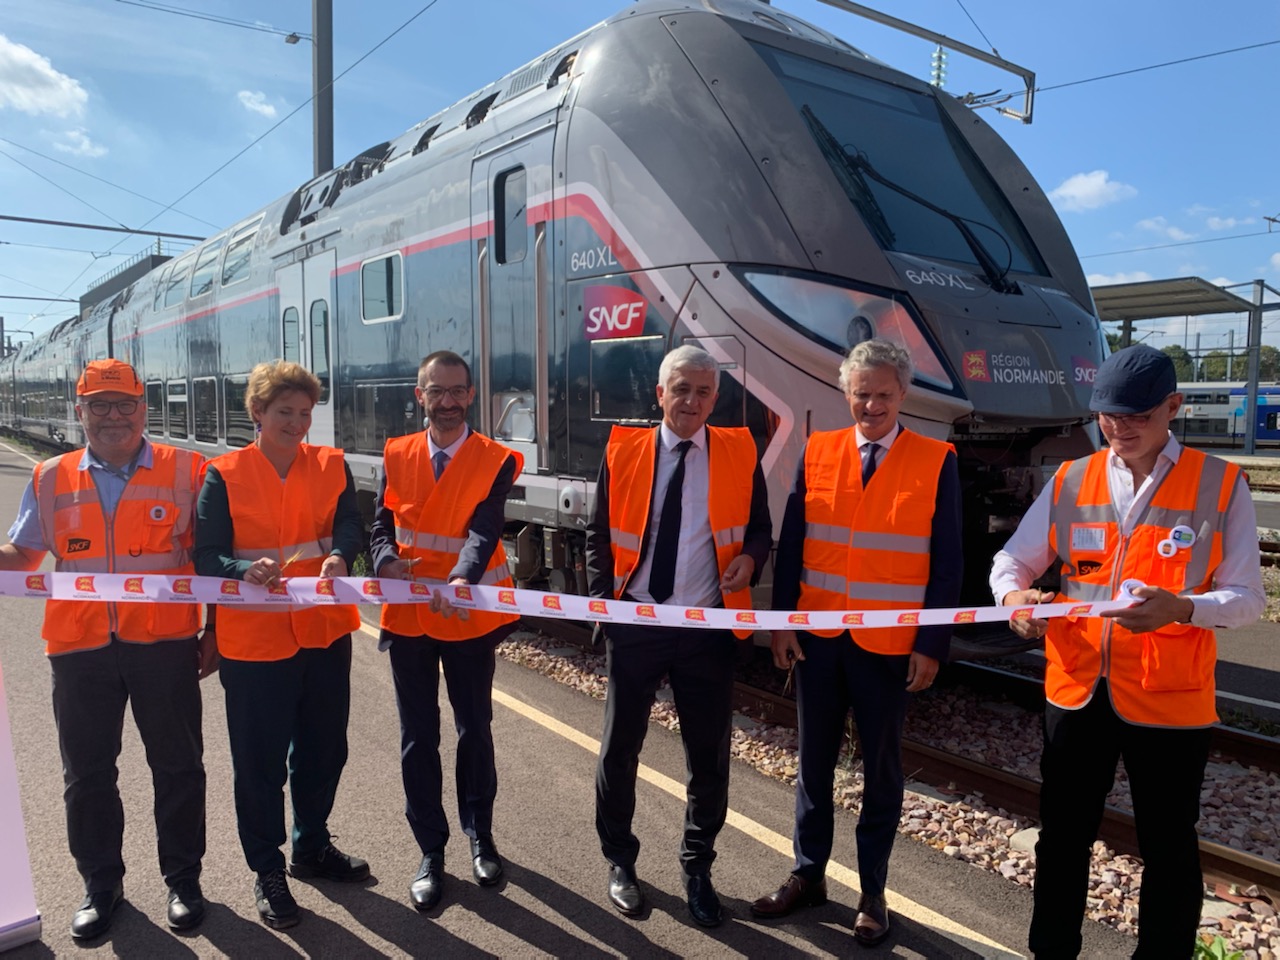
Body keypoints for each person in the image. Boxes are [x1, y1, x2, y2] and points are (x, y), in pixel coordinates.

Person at [989, 344, 1263, 960]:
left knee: (1168, 845)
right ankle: (1051, 952)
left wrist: (1186, 608)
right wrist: (1016, 599)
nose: (1120, 429)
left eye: (1136, 415)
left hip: (1170, 700)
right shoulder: (1072, 478)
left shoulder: (1220, 485)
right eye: (1108, 416)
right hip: (1077, 689)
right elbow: (1012, 561)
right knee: (1062, 838)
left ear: (1173, 407)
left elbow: (1248, 599)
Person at [751, 338, 962, 946]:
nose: (871, 404)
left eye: (884, 395)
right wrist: (782, 624)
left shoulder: (936, 459)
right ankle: (808, 875)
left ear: (903, 396)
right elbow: (793, 546)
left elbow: (947, 563)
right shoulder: (817, 451)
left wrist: (932, 643)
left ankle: (873, 891)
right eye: (861, 393)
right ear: (846, 393)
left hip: (889, 648)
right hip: (818, 638)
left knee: (881, 771)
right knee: (812, 764)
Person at [0, 358, 213, 939]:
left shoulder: (188, 470)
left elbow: (213, 560)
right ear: (80, 412)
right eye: (99, 405)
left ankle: (183, 880)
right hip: (78, 647)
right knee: (88, 773)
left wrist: (213, 630)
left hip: (164, 644)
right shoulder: (49, 477)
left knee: (177, 767)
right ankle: (101, 885)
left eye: (124, 405)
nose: (113, 417)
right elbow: (24, 558)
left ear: (144, 409)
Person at [585, 344, 772, 927]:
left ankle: (698, 868)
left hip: (705, 628)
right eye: (681, 389)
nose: (691, 400)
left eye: (703, 391)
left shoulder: (740, 452)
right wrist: (607, 611)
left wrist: (752, 561)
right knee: (620, 749)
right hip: (637, 621)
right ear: (659, 393)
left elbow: (761, 531)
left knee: (709, 758)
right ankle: (620, 861)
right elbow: (596, 535)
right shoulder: (625, 451)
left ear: (716, 398)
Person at [194, 360, 368, 930]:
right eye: (284, 412)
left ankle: (311, 847)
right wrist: (241, 568)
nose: (297, 423)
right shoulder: (224, 474)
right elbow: (206, 554)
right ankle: (266, 868)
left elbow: (349, 525)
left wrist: (343, 554)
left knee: (324, 750)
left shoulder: (330, 464)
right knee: (260, 763)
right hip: (254, 642)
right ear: (258, 414)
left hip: (321, 631)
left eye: (304, 413)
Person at [369, 350, 522, 912]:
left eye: (459, 391)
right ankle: (430, 850)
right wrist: (383, 558)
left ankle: (479, 833)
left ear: (472, 395)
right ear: (420, 396)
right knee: (418, 737)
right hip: (410, 614)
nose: (450, 401)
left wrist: (461, 578)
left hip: (466, 612)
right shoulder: (397, 453)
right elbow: (382, 522)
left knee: (473, 729)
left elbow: (485, 529)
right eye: (438, 391)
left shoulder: (494, 458)